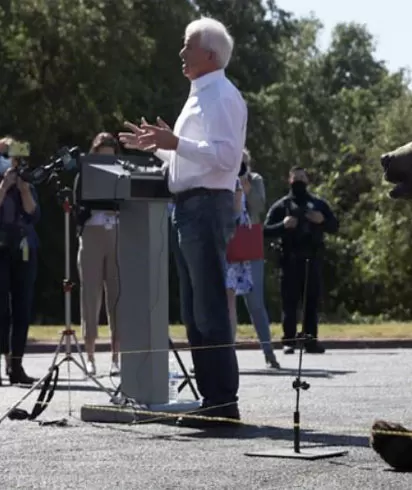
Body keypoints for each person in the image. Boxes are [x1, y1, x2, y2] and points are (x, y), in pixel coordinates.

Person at [118, 16, 247, 427]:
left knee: (209, 307)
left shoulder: (222, 95)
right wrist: (158, 148)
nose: (181, 52)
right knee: (194, 311)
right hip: (189, 206)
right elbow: (189, 159)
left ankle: (223, 402)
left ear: (210, 55)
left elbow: (226, 158)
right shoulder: (199, 95)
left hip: (207, 206)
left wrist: (175, 141)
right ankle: (211, 400)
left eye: (187, 45)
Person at [263, 166, 338, 355]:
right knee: (289, 302)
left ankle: (310, 341)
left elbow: (335, 225)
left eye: (302, 178)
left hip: (312, 258)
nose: (299, 182)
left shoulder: (318, 204)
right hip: (289, 259)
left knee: (311, 302)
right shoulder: (281, 206)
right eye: (295, 179)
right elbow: (265, 230)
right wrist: (283, 225)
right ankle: (289, 341)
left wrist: (321, 220)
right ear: (289, 181)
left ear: (308, 181)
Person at [73, 132, 122, 377]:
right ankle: (90, 356)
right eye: (102, 157)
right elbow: (76, 209)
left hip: (116, 233)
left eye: (110, 158)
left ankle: (116, 358)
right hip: (91, 234)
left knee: (116, 297)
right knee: (90, 297)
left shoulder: (123, 174)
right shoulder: (84, 175)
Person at [231, 150, 280, 368]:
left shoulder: (255, 179)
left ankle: (268, 352)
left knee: (255, 302)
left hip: (249, 244)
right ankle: (223, 355)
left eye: (242, 162)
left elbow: (259, 207)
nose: (238, 165)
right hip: (227, 243)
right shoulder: (222, 179)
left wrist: (244, 182)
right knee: (225, 302)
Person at [0, 136, 41, 385]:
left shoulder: (26, 180)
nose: (10, 161)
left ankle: (17, 365)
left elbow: (34, 214)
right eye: (5, 155)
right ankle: (3, 359)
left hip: (24, 247)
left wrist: (23, 187)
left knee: (22, 307)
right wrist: (4, 187)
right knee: (0, 309)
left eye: (13, 156)